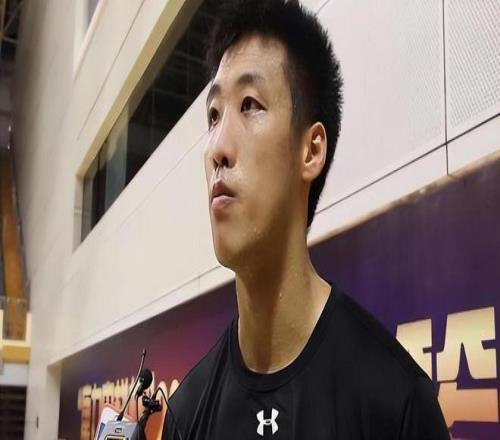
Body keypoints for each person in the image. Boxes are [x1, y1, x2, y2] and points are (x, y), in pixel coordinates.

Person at [162, 0, 450, 438]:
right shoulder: (186, 413)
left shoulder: (395, 403)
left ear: (311, 150)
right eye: (214, 115)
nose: (218, 147)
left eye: (250, 104)